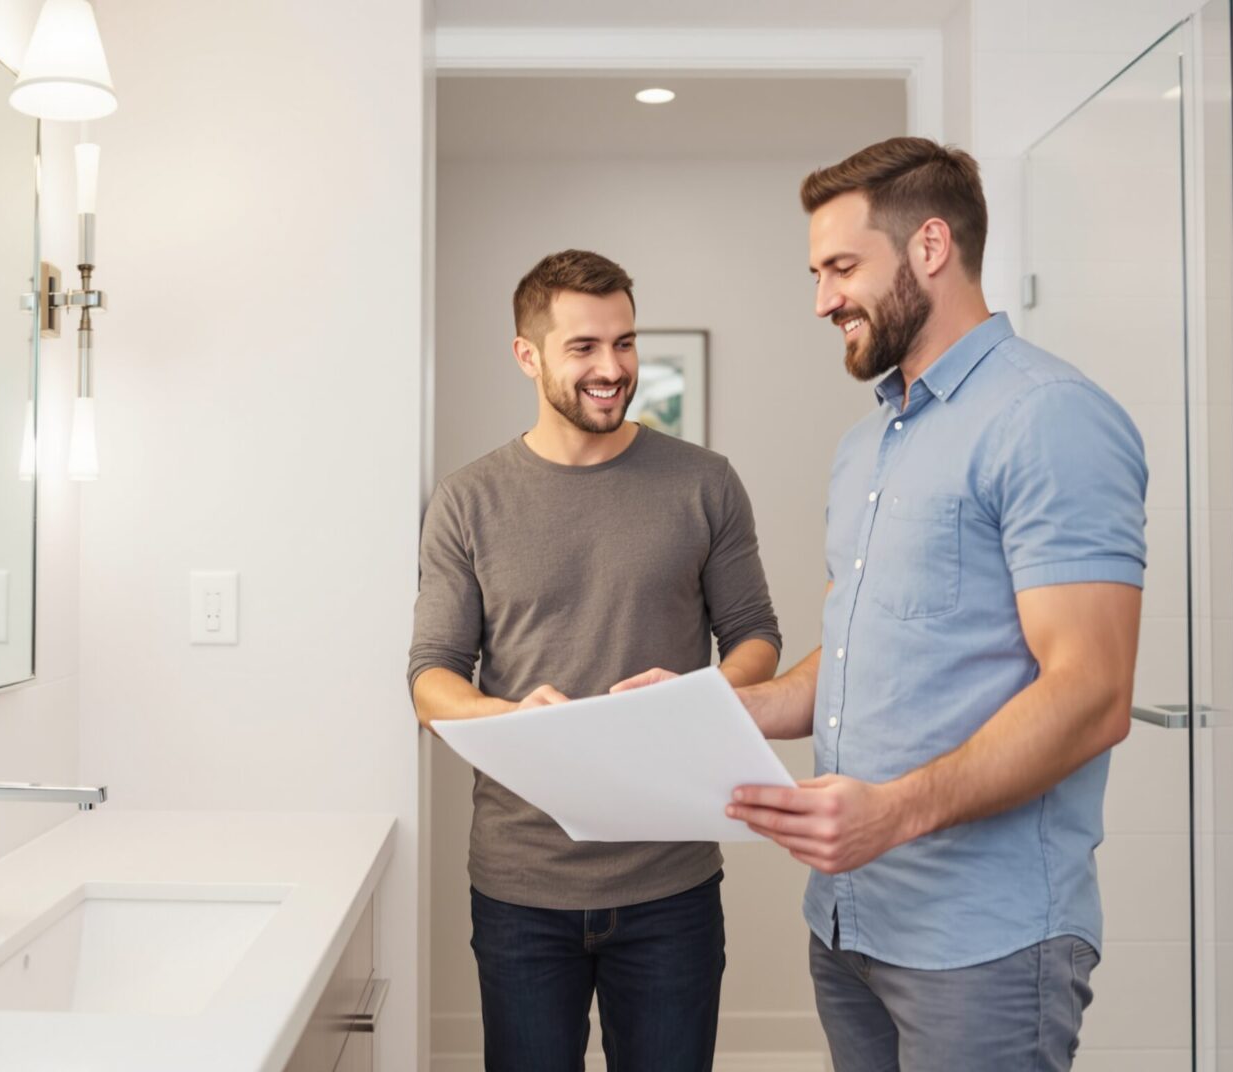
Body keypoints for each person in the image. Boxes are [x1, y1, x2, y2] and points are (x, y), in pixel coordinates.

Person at [725, 137, 1147, 1071]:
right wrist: (720, 708)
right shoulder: (865, 447)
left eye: (842, 268)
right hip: (849, 922)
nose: (823, 300)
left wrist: (893, 814)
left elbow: (1092, 692)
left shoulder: (1048, 417)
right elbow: (857, 655)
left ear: (929, 246)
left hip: (982, 944)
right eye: (817, 274)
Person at [409, 249, 782, 1072]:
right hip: (521, 888)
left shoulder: (705, 483)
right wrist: (514, 718)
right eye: (584, 347)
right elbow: (431, 680)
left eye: (625, 342)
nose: (612, 369)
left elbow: (756, 637)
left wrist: (695, 695)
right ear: (527, 354)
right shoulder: (468, 500)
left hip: (670, 882)